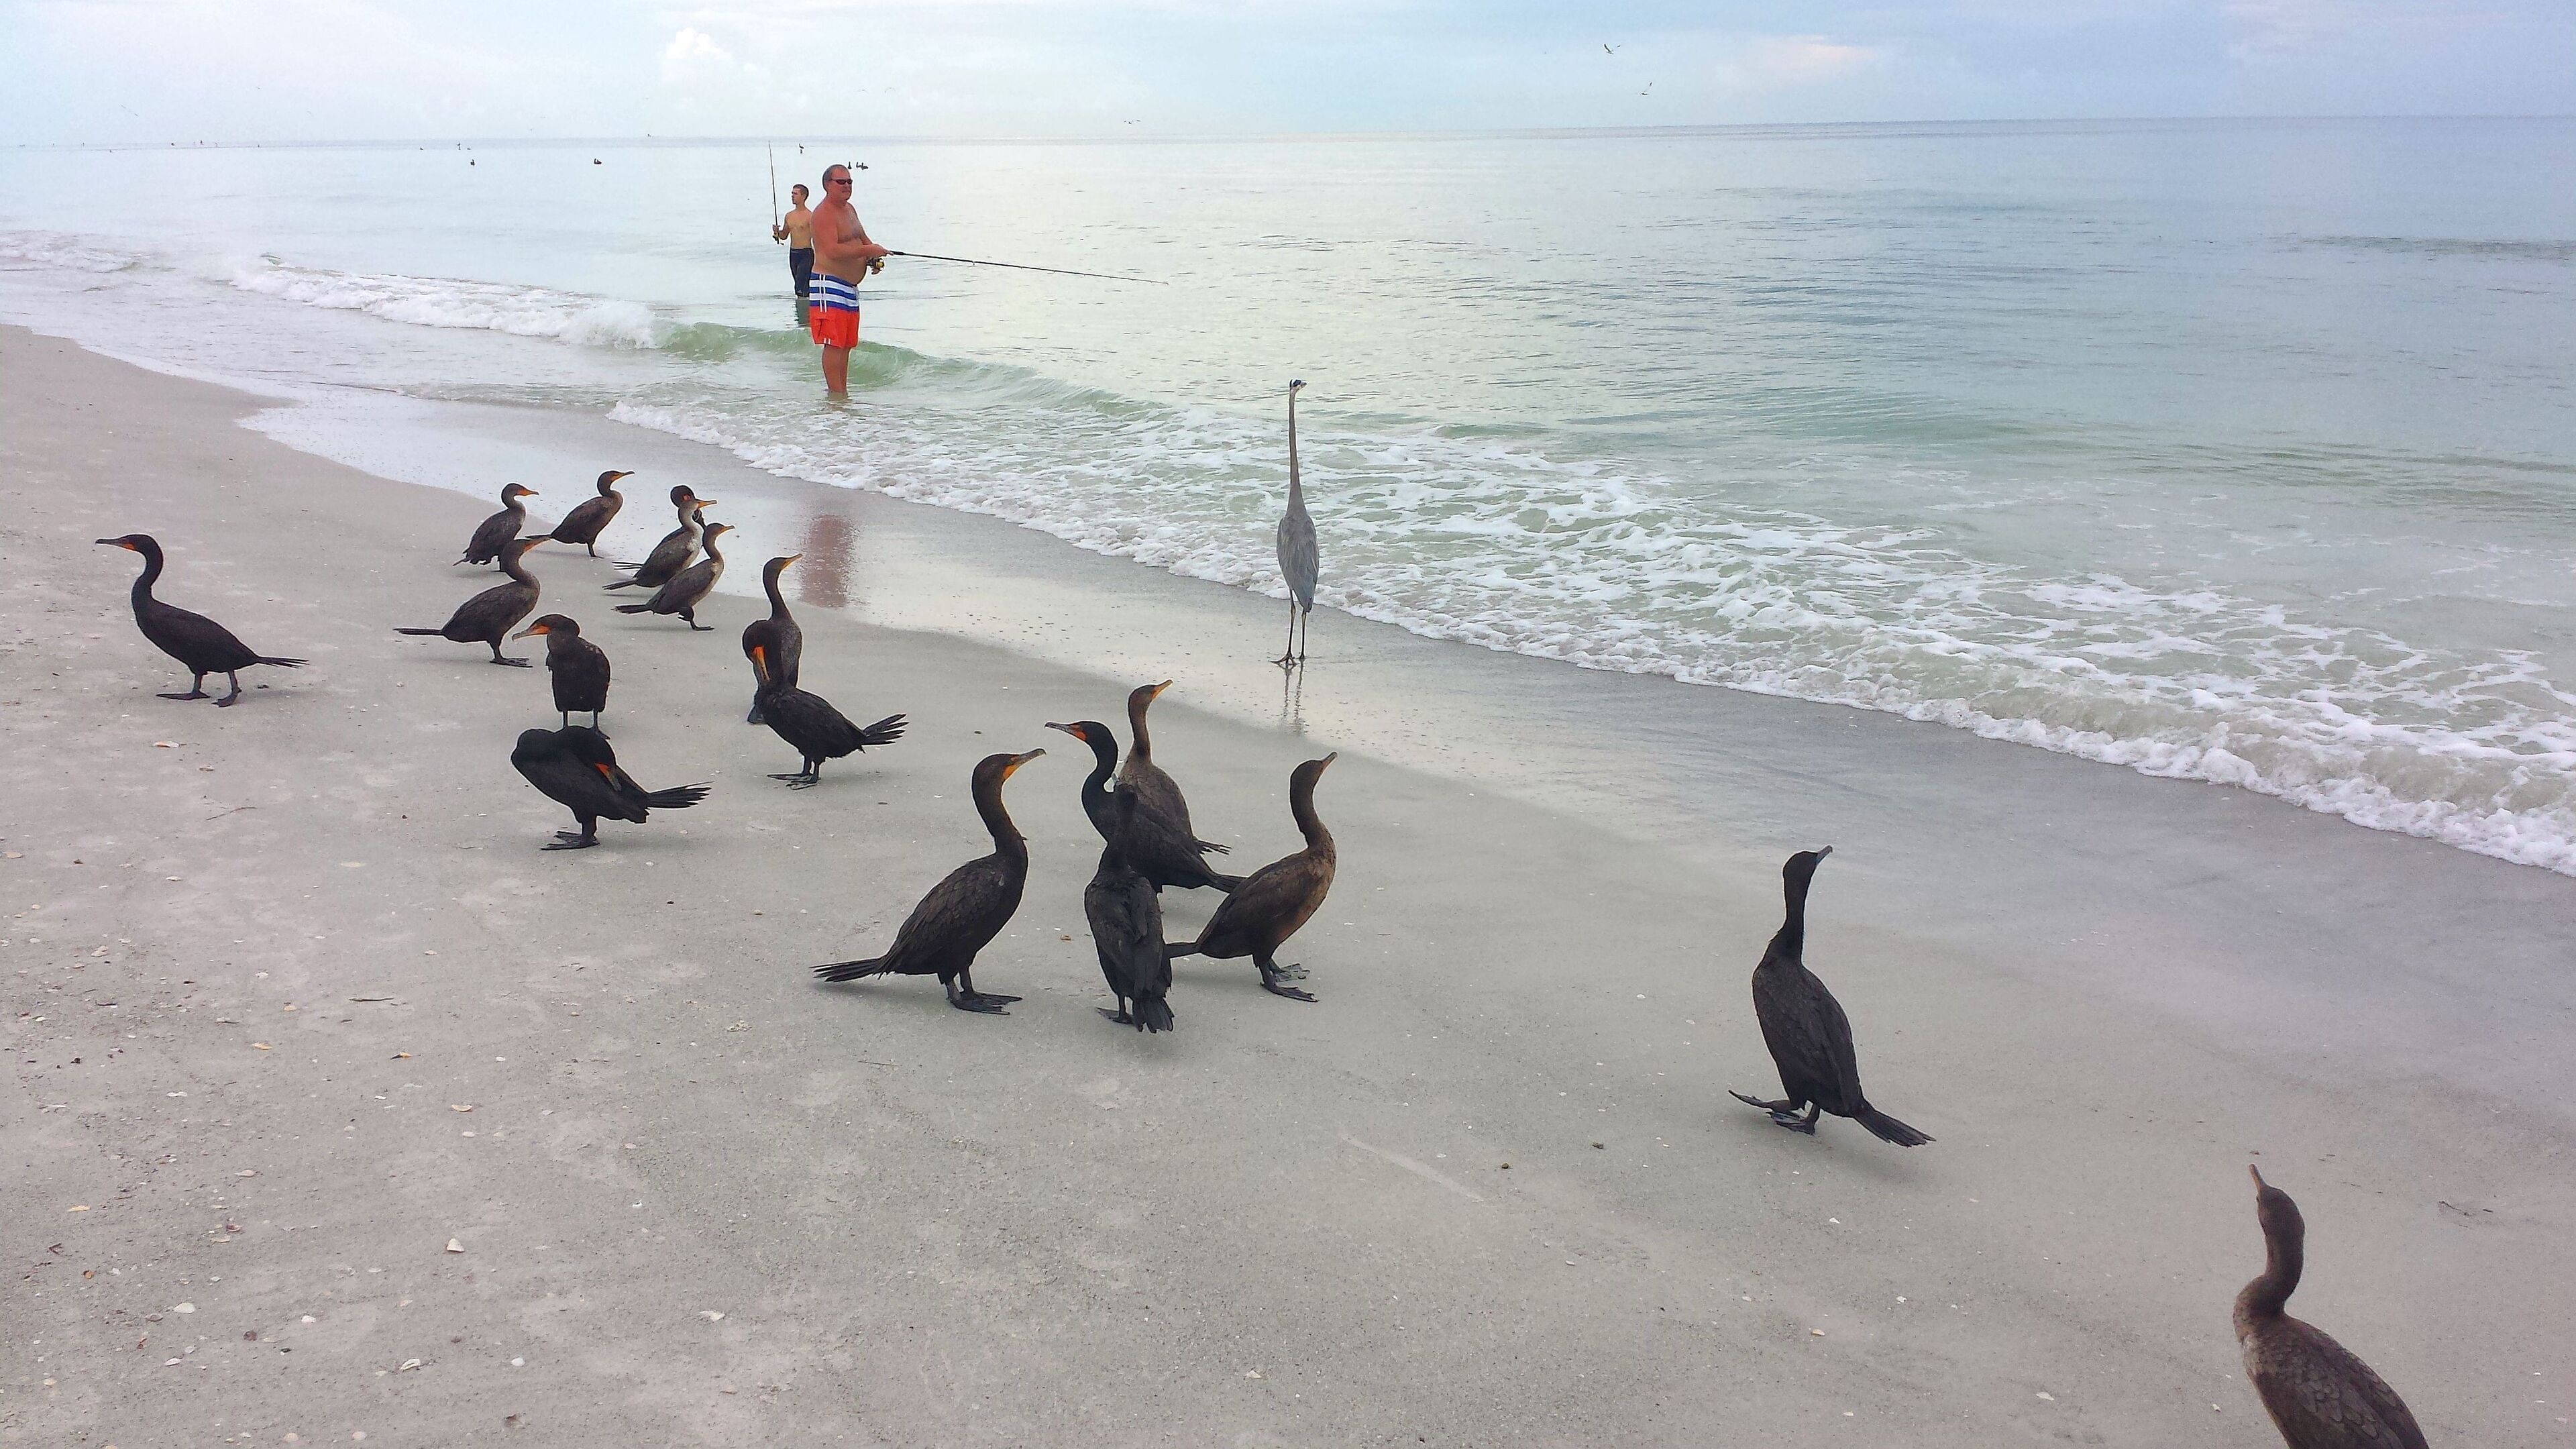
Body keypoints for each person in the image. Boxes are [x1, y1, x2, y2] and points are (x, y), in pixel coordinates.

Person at [808, 164, 888, 397]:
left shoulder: (850, 209)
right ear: (827, 185)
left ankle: (842, 393)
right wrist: (867, 250)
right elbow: (831, 251)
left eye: (850, 182)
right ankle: (836, 395)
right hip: (829, 283)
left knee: (847, 343)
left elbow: (862, 239)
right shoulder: (823, 214)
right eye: (841, 182)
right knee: (834, 342)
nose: (847, 186)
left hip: (850, 287)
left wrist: (873, 256)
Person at [773, 183, 814, 301]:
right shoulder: (789, 216)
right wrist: (777, 232)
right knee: (799, 286)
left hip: (806, 254)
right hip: (793, 254)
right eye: (792, 194)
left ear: (804, 196)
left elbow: (817, 237)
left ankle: (804, 313)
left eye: (795, 194)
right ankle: (803, 313)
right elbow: (784, 236)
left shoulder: (810, 216)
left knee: (801, 287)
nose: (792, 196)